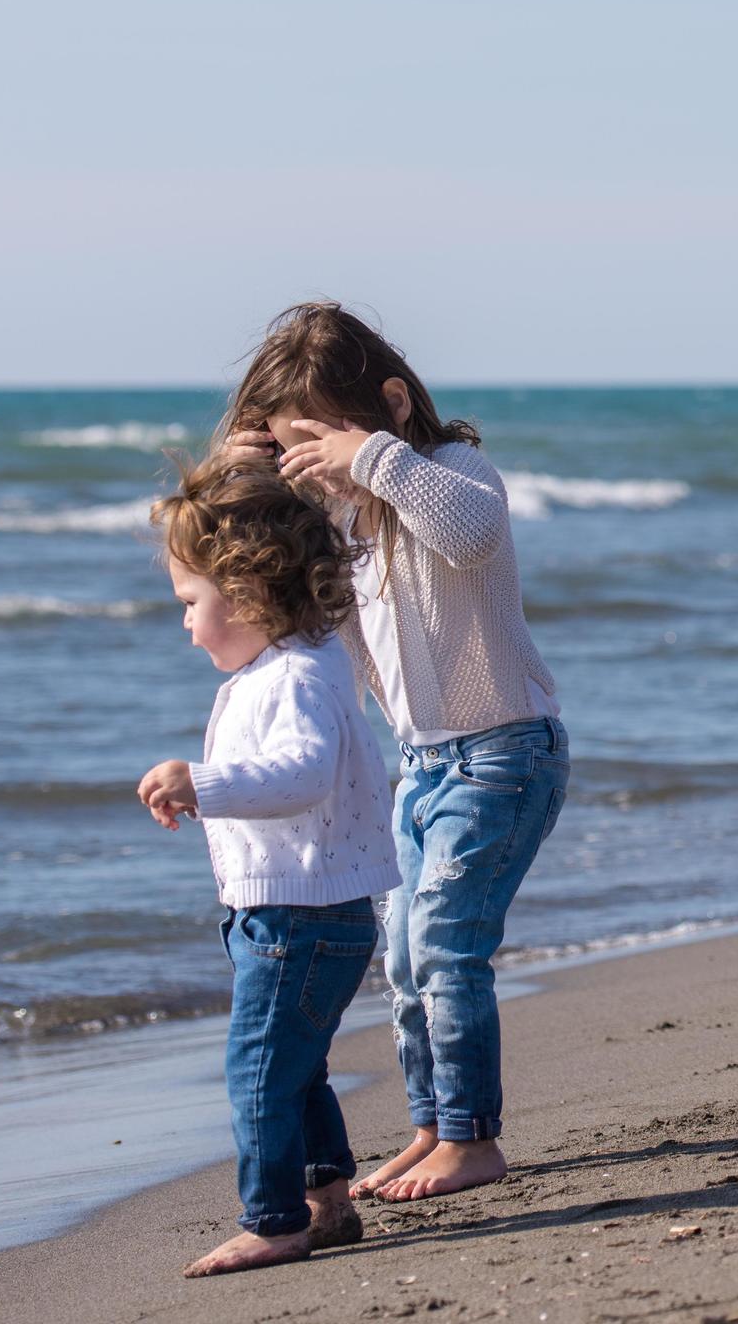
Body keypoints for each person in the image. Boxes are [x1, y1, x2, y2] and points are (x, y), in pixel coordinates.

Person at [220, 303, 568, 1203]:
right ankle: (432, 1126)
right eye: (296, 447)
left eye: (322, 439)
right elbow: (308, 616)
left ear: (393, 403)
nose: (319, 463)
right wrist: (255, 484)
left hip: (504, 753)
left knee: (449, 948)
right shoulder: (350, 529)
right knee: (408, 961)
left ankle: (473, 1138)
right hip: (422, 769)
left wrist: (370, 458)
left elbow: (471, 534)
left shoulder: (453, 469)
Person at [136, 458, 399, 1278]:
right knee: (295, 1067)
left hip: (300, 919)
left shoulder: (295, 676)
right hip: (295, 913)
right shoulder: (287, 666)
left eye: (190, 603)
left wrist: (201, 783)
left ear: (248, 592)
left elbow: (303, 774)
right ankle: (324, 1199)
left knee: (257, 1069)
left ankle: (273, 1219)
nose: (183, 623)